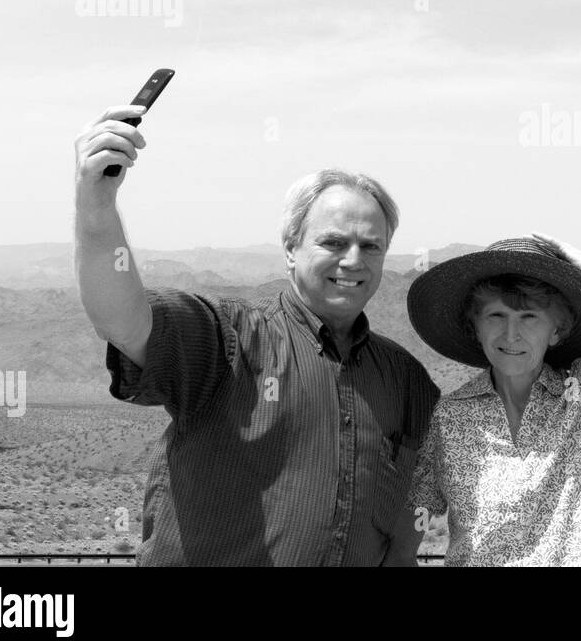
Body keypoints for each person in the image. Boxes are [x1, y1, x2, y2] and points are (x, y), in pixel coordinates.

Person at [73, 103, 438, 565]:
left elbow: (416, 496)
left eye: (371, 246)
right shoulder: (231, 338)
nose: (353, 261)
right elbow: (123, 320)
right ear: (290, 247)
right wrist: (96, 203)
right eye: (332, 242)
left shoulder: (405, 379)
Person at [406, 233, 581, 565]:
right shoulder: (448, 417)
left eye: (530, 318)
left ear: (556, 330)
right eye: (496, 316)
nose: (511, 334)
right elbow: (419, 511)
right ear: (476, 327)